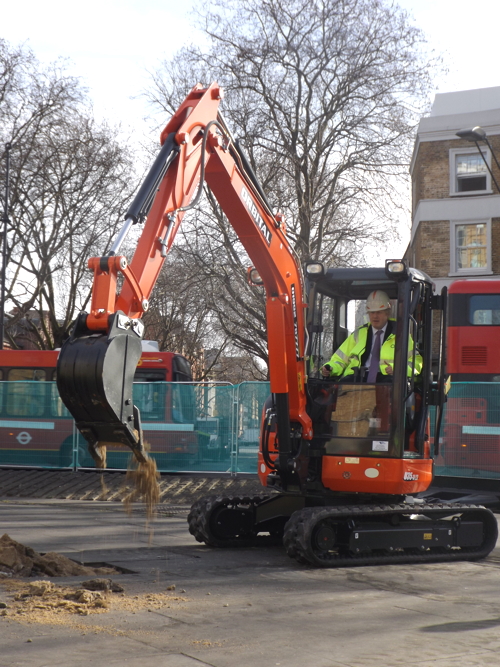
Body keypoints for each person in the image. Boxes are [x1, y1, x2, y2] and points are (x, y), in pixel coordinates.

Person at [321, 290, 422, 382]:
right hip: (358, 377)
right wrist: (330, 368)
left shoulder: (400, 334)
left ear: (387, 313)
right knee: (343, 385)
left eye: (379, 312)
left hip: (386, 378)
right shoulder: (358, 334)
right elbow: (339, 359)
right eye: (372, 312)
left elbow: (415, 362)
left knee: (392, 386)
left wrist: (397, 369)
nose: (375, 316)